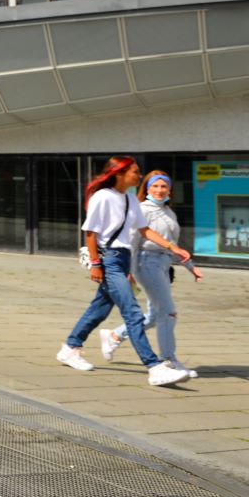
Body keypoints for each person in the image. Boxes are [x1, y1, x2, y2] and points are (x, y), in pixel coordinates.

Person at [57, 155, 195, 388]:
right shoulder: (103, 196)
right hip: (109, 258)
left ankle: (70, 348)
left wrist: (173, 247)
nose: (139, 175)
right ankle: (154, 367)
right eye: (134, 171)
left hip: (124, 258)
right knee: (132, 311)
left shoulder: (130, 200)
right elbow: (90, 232)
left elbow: (144, 230)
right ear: (119, 173)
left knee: (99, 309)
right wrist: (96, 264)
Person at [100, 171, 203, 371]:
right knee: (168, 312)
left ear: (169, 190)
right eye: (154, 186)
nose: (159, 190)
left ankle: (114, 336)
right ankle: (168, 360)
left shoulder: (168, 212)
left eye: (163, 186)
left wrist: (191, 267)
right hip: (146, 264)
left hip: (163, 265)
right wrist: (128, 271)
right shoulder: (142, 210)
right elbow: (132, 242)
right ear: (147, 188)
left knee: (155, 315)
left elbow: (172, 245)